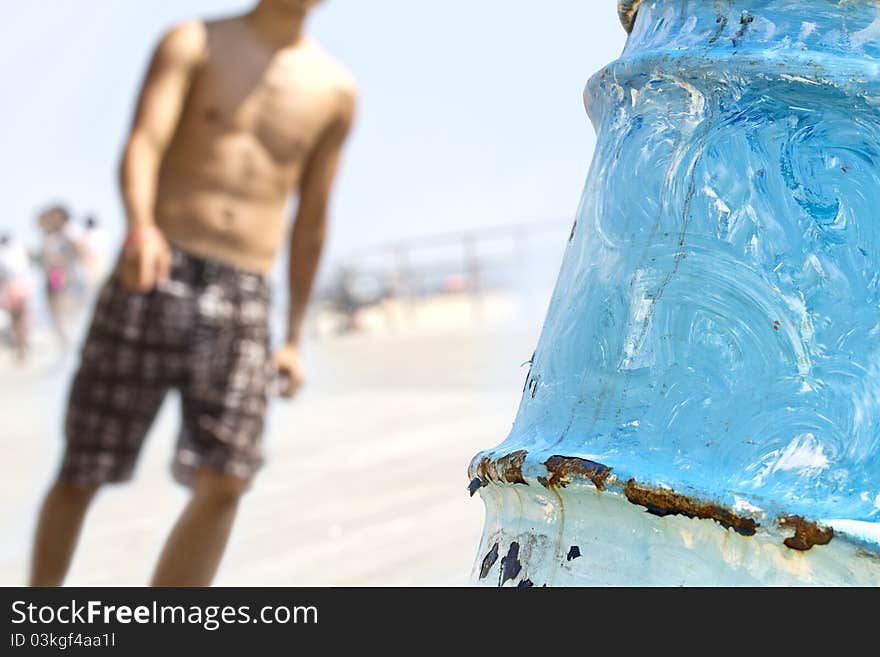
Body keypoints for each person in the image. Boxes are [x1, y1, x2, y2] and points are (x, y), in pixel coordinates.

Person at [29, 0, 357, 586]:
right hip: (156, 270)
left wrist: (294, 337)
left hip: (246, 292)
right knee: (84, 466)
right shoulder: (193, 41)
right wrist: (140, 226)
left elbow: (312, 218)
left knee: (228, 478)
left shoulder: (334, 90)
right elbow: (144, 144)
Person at [35, 204, 82, 348]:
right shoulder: (52, 238)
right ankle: (67, 348)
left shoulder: (66, 237)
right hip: (57, 283)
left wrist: (58, 261)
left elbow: (76, 253)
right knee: (60, 319)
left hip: (66, 283)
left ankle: (70, 348)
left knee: (65, 318)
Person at [0, 232, 33, 362]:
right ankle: (22, 345)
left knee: (14, 320)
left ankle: (19, 347)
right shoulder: (19, 252)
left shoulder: (3, 255)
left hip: (11, 290)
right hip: (23, 288)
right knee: (23, 318)